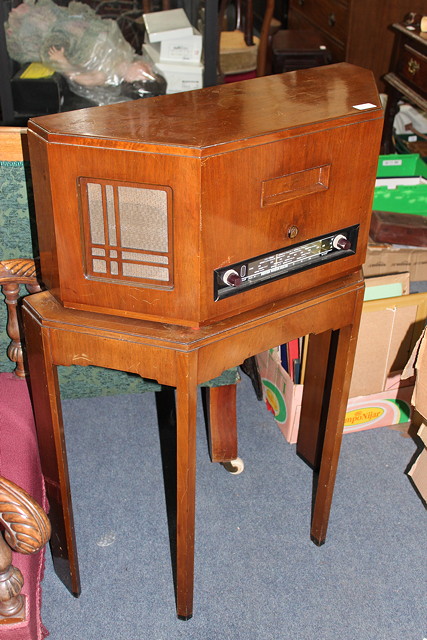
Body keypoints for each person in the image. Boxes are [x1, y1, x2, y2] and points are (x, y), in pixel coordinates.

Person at [5, 0, 166, 104]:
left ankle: (23, 18)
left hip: (78, 48)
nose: (147, 67)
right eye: (151, 70)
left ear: (134, 82)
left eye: (147, 73)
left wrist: (63, 63)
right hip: (88, 33)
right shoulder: (127, 56)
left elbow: (83, 78)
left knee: (45, 25)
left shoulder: (106, 76)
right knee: (63, 19)